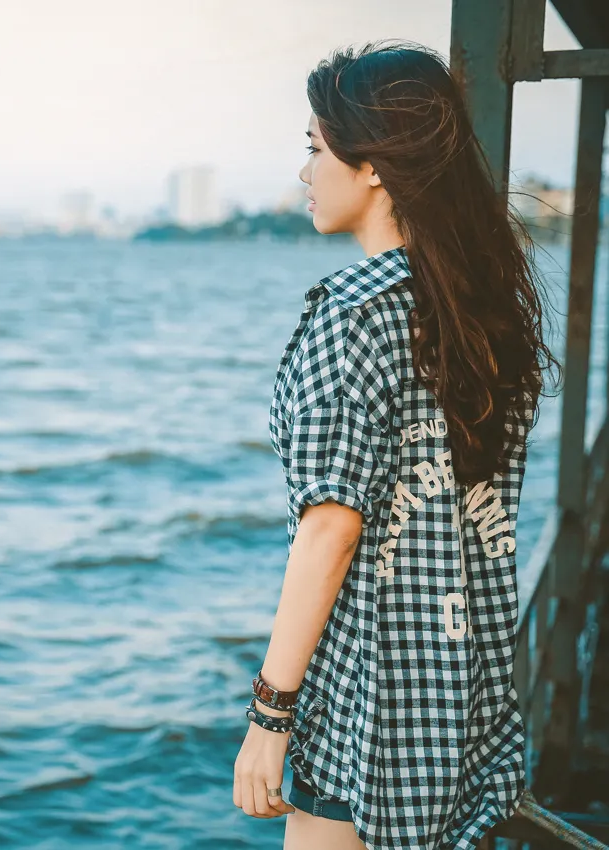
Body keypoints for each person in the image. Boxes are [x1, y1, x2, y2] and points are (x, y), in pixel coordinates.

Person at [231, 40, 561, 849]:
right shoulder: (483, 305)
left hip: (366, 715)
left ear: (372, 163)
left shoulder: (351, 312)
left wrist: (270, 714)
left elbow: (331, 526)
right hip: (467, 703)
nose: (307, 172)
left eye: (316, 148)